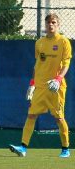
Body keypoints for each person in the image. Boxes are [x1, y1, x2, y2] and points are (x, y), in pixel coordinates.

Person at [9, 13, 72, 158]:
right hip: (40, 87)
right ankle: (23, 148)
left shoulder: (64, 42)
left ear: (58, 25)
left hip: (56, 87)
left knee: (59, 118)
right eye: (48, 22)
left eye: (53, 22)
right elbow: (38, 65)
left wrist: (57, 79)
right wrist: (32, 84)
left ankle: (65, 149)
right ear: (45, 25)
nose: (50, 25)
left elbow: (66, 64)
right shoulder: (39, 43)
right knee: (31, 115)